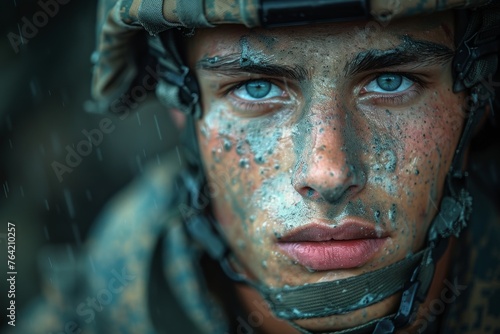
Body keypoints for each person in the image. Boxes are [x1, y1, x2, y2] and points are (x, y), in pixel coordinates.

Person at [11, 1, 500, 333]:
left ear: (475, 101)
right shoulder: (101, 313)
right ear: (185, 111)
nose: (327, 174)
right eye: (257, 88)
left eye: (392, 82)